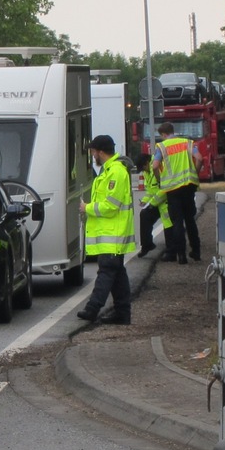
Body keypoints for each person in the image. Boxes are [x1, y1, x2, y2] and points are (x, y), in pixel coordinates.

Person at [77, 135, 135, 325]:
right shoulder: (107, 171)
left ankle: (92, 309)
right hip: (110, 234)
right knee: (117, 275)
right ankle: (122, 313)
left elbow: (111, 206)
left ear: (100, 152)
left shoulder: (115, 173)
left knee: (106, 272)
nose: (92, 155)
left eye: (93, 151)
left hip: (113, 234)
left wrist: (87, 208)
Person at [152, 121, 202, 264]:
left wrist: (159, 180)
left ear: (163, 134)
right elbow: (199, 158)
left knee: (177, 221)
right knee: (190, 219)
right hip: (188, 186)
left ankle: (181, 255)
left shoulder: (161, 147)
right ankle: (196, 251)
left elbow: (155, 165)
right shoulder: (188, 143)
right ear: (173, 131)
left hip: (172, 189)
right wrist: (195, 174)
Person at [137, 151, 171, 258]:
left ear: (147, 163)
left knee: (169, 225)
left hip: (167, 202)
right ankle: (147, 245)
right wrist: (145, 200)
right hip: (157, 202)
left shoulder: (159, 166)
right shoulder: (147, 172)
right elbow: (151, 191)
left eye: (143, 168)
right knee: (144, 215)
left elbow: (165, 188)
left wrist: (152, 203)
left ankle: (171, 251)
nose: (143, 171)